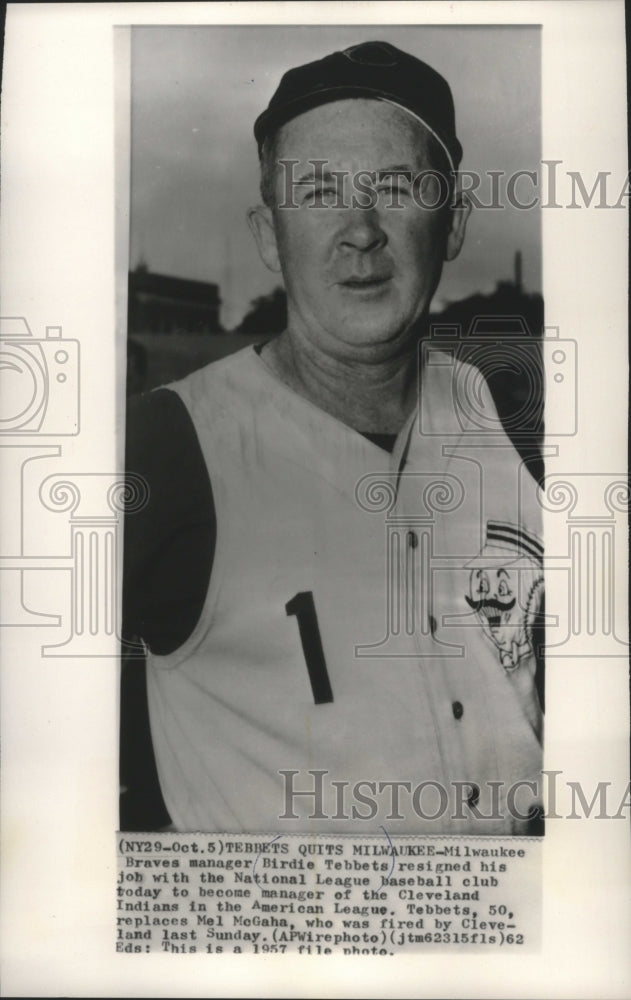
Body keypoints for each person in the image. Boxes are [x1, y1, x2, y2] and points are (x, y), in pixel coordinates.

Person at [123, 41, 544, 835]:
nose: (359, 231)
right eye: (317, 190)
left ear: (451, 223)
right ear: (268, 236)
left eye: (394, 186)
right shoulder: (170, 443)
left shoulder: (493, 405)